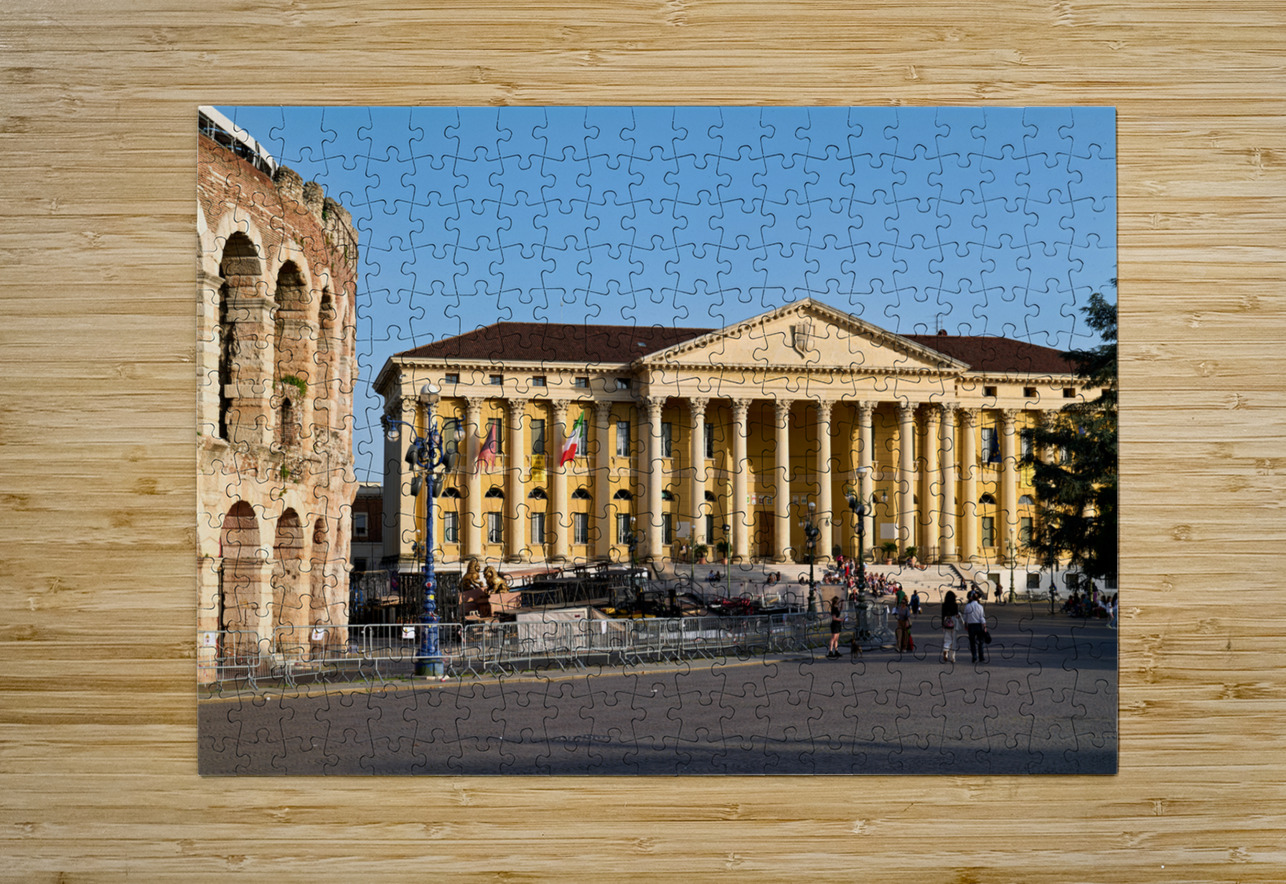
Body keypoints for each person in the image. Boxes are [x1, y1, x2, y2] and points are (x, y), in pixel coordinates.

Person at [963, 590, 988, 663]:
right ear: (978, 599)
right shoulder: (980, 607)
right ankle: (981, 657)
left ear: (971, 598)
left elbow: (965, 617)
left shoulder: (967, 606)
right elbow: (982, 618)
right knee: (981, 641)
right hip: (978, 625)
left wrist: (965, 625)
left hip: (971, 626)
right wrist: (985, 626)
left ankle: (974, 656)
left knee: (972, 642)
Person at [940, 590, 960, 663]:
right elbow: (956, 614)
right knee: (953, 641)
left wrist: (942, 624)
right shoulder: (955, 605)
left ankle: (945, 650)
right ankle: (952, 657)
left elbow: (942, 615)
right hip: (954, 623)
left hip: (946, 623)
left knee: (947, 639)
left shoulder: (944, 605)